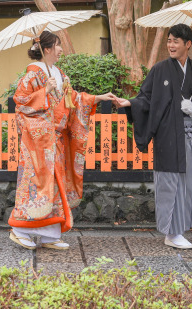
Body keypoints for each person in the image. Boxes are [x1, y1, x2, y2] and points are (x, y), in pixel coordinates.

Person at [113, 24, 192, 249]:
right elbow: (146, 98)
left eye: (176, 41)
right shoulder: (160, 69)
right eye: (169, 40)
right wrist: (130, 103)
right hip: (169, 135)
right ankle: (172, 233)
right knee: (172, 183)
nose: (171, 45)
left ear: (188, 44)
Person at [8, 30, 115, 250]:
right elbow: (21, 102)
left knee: (56, 187)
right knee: (36, 187)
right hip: (38, 143)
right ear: (46, 48)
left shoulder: (59, 74)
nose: (60, 49)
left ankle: (50, 234)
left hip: (55, 141)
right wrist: (43, 93)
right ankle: (19, 230)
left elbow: (74, 99)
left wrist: (98, 97)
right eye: (57, 45)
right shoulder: (33, 75)